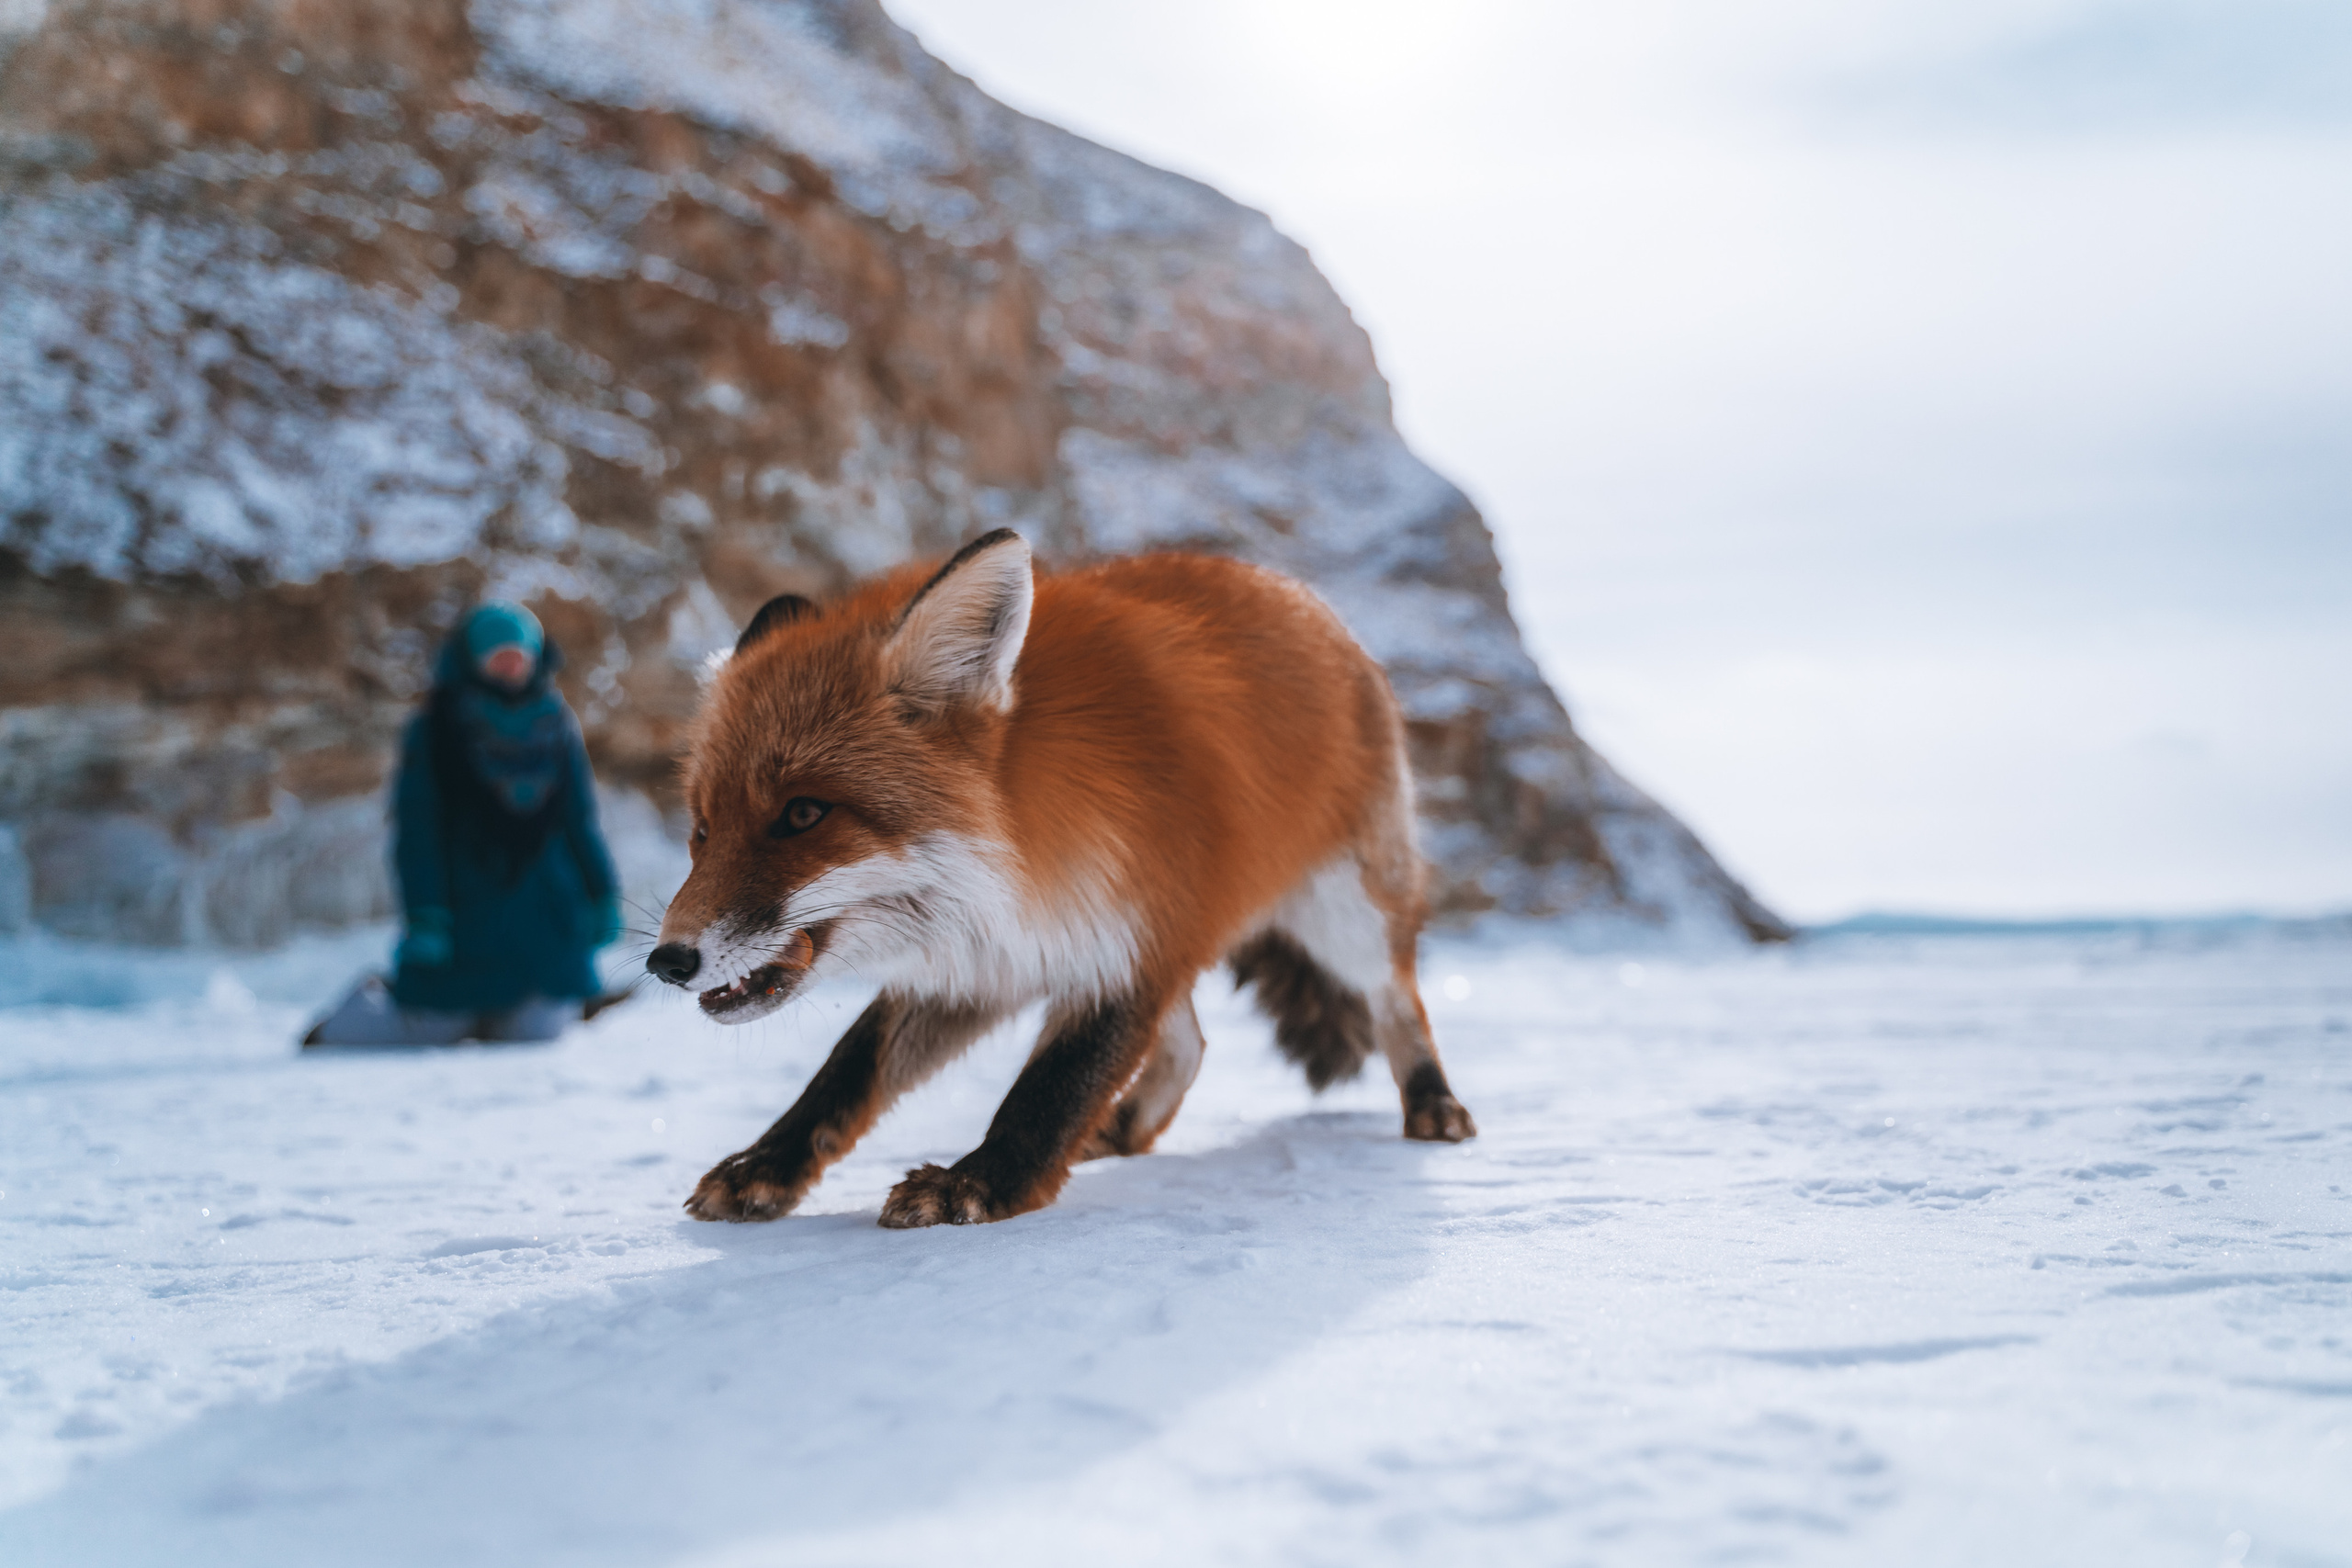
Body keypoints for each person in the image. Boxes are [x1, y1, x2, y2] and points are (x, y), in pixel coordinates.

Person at [304, 602, 623, 1046]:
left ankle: (499, 1018)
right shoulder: (436, 727)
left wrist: (602, 894)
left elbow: (580, 821)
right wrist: (426, 917)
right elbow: (418, 831)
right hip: (467, 906)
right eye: (499, 655)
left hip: (546, 910)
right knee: (435, 1030)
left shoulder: (557, 724)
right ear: (474, 658)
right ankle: (349, 1017)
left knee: (536, 1034)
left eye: (520, 654)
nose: (511, 665)